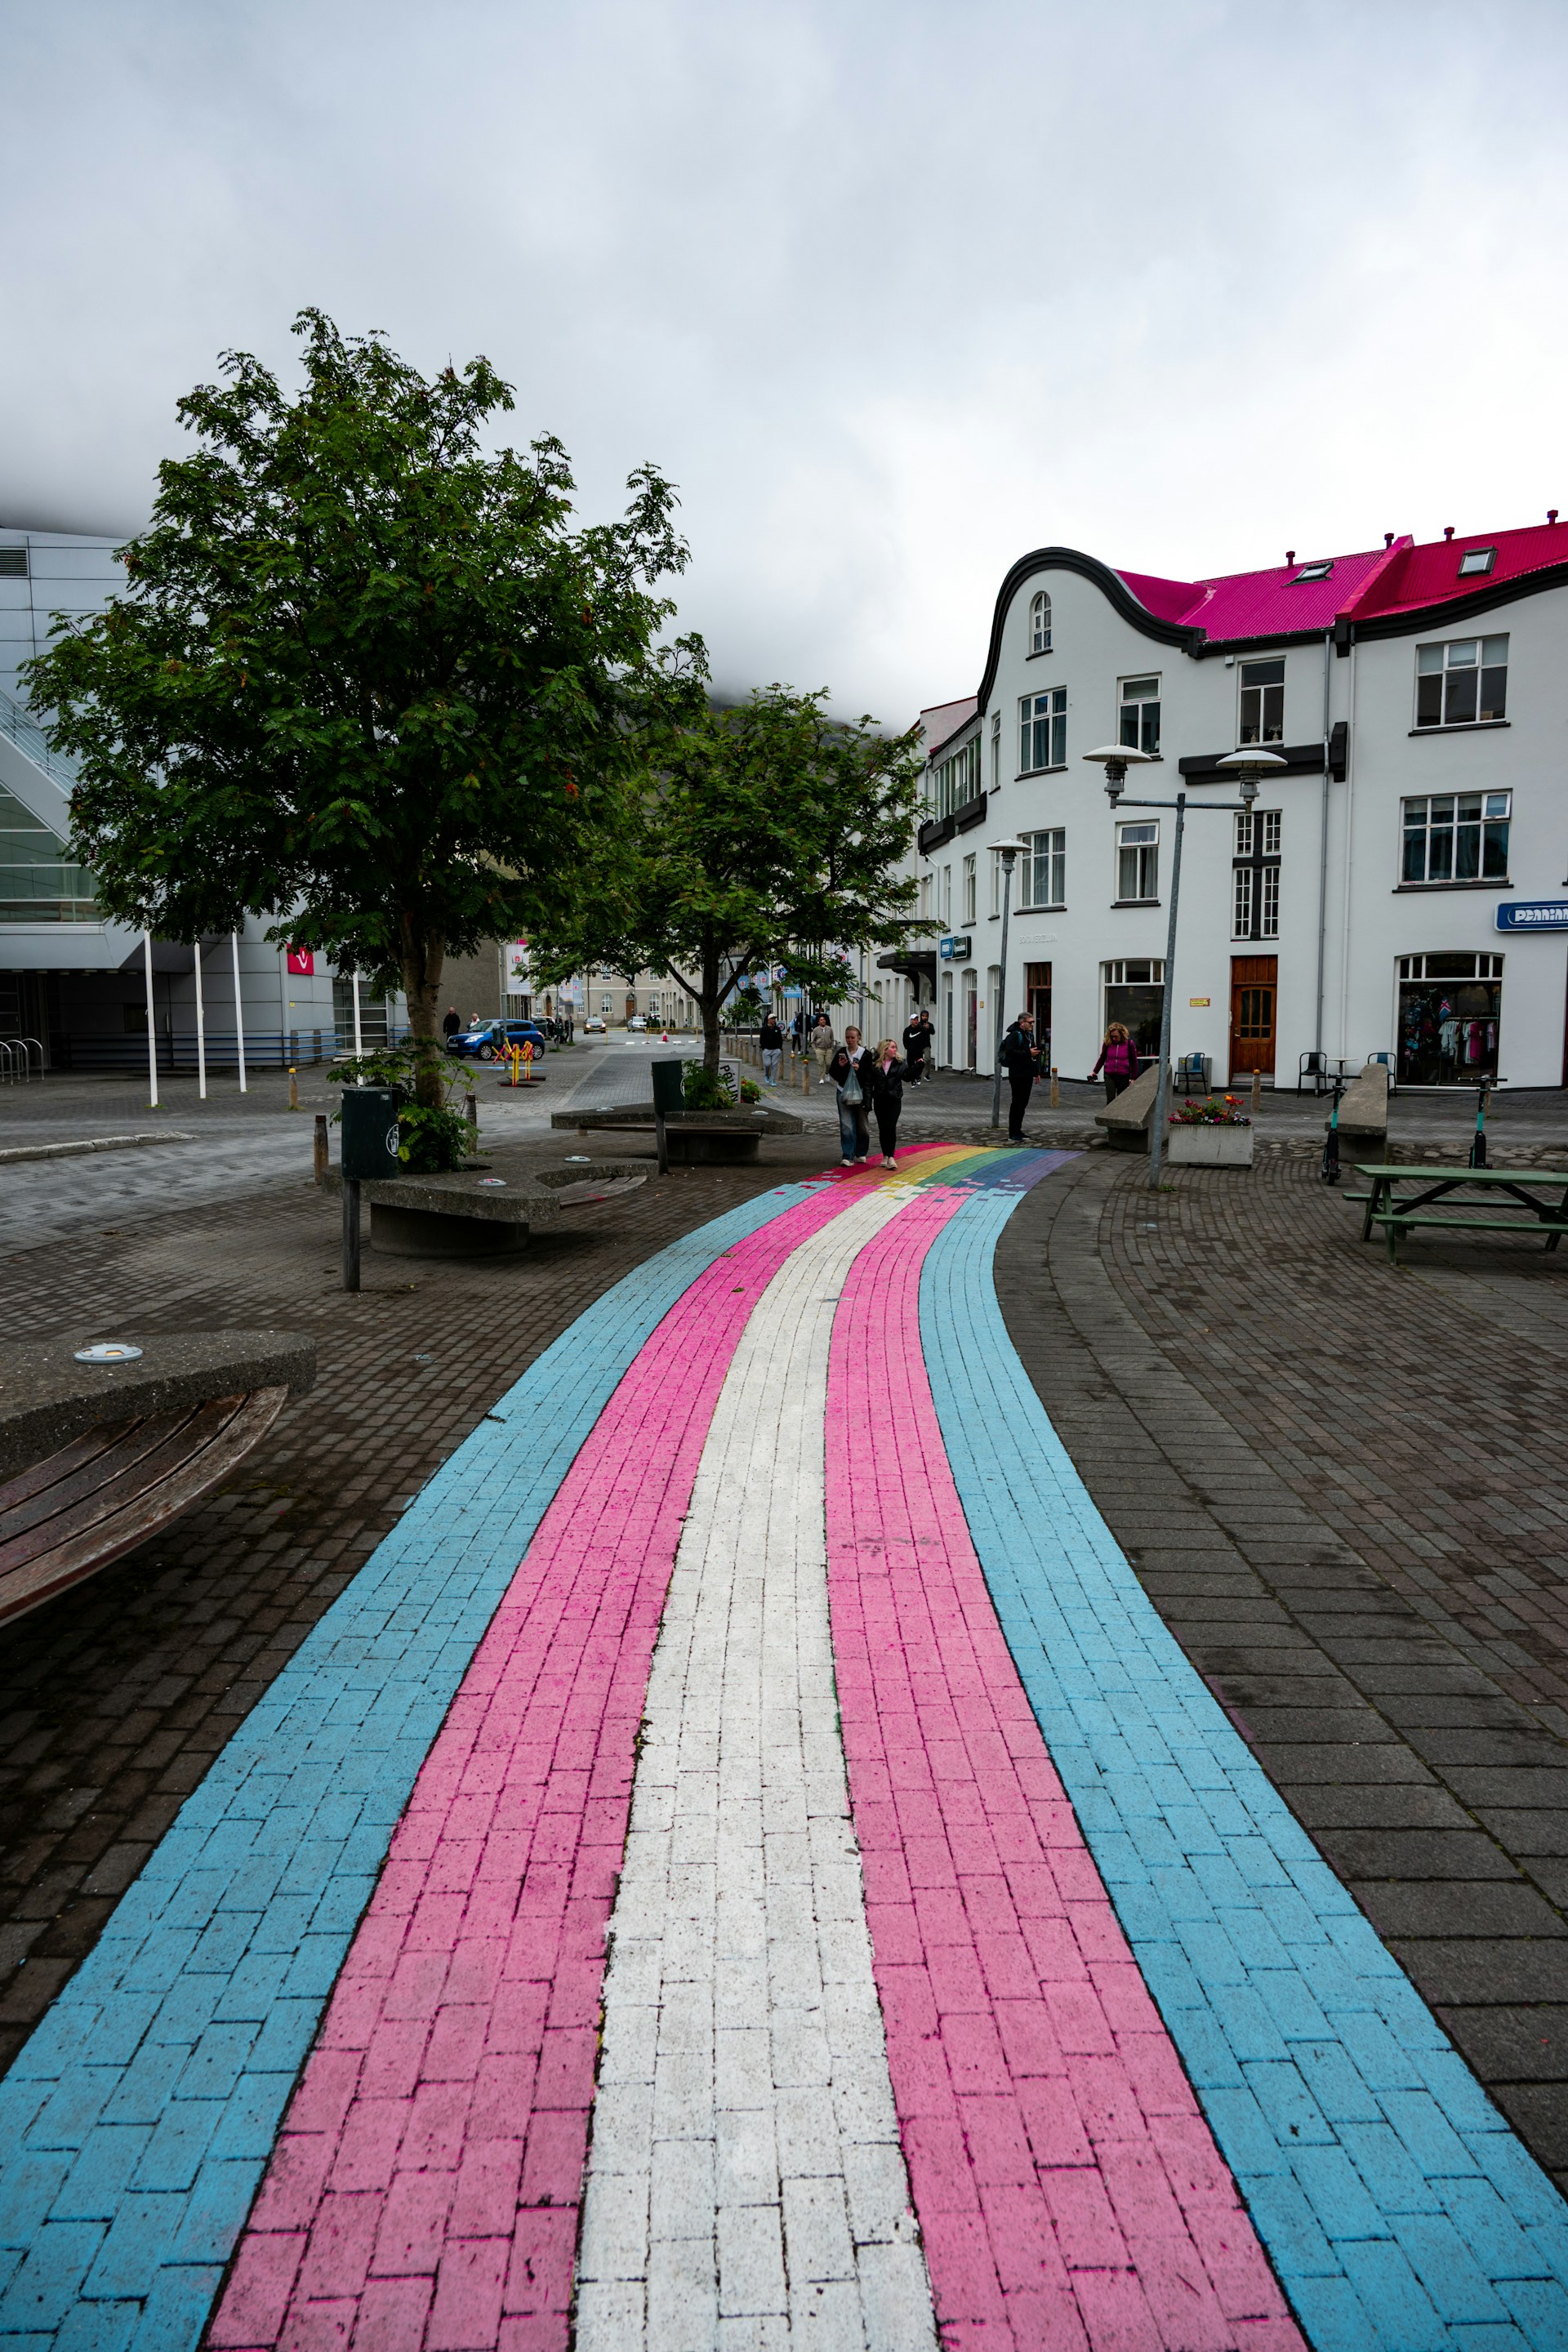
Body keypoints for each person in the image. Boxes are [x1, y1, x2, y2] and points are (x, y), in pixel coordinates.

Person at [827, 1026, 875, 1164]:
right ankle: (847, 1155)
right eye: (847, 1037)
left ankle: (861, 1152)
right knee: (846, 1124)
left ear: (858, 1038)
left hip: (860, 1092)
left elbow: (868, 1076)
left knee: (862, 1125)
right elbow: (833, 1072)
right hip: (843, 1090)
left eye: (852, 1037)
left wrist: (859, 1070)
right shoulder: (841, 1052)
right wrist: (841, 1067)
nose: (849, 1040)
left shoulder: (865, 1054)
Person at [999, 1011, 1038, 1143]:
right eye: (1030, 1022)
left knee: (1023, 1103)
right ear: (1022, 1023)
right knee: (1017, 1102)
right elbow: (1011, 1052)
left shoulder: (1029, 1036)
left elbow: (1034, 1055)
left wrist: (1036, 1072)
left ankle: (1018, 1131)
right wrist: (1028, 1053)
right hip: (1017, 1074)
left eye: (1033, 1022)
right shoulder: (1015, 1035)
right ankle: (1013, 1133)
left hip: (1027, 1073)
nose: (1032, 1024)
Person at [871, 1036, 907, 1167]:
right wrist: (868, 1101)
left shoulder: (900, 1063)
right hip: (880, 1100)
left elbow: (907, 1076)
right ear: (885, 1050)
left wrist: (918, 1066)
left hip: (894, 1100)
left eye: (895, 1047)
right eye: (893, 1047)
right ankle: (885, 1155)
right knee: (882, 1128)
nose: (895, 1050)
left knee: (890, 1127)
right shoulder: (875, 1064)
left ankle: (891, 1157)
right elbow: (869, 1083)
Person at [1092, 1022, 1141, 1100]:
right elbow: (1102, 1058)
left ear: (1121, 1035)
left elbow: (1134, 1062)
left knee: (1121, 1100)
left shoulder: (1129, 1044)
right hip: (1110, 1075)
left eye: (1116, 1037)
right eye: (1112, 1037)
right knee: (1110, 1099)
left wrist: (1133, 1078)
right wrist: (1095, 1072)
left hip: (1123, 1075)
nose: (1114, 1039)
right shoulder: (1107, 1043)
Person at [902, 1009, 933, 1087]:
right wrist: (908, 1048)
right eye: (914, 1020)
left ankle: (921, 1076)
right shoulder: (907, 1030)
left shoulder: (923, 1028)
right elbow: (905, 1040)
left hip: (920, 1050)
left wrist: (928, 1028)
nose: (916, 1021)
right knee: (911, 1066)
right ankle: (913, 1081)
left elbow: (928, 1035)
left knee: (922, 1063)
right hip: (911, 1051)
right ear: (911, 1020)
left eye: (917, 1020)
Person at [759, 1010, 785, 1085]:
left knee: (774, 1065)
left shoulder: (777, 1028)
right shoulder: (764, 1029)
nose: (774, 1020)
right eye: (772, 1019)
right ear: (769, 1020)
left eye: (774, 1019)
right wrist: (764, 1047)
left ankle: (773, 1079)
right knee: (767, 1064)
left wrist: (779, 1048)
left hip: (776, 1049)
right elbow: (762, 1039)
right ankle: (767, 1074)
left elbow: (780, 1039)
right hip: (767, 1049)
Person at [811, 1013, 835, 1084]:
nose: (823, 1021)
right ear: (818, 1022)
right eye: (821, 1020)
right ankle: (821, 1078)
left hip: (828, 1049)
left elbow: (832, 1039)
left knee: (829, 1064)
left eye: (824, 1020)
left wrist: (832, 1048)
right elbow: (813, 1041)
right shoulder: (816, 1030)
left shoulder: (830, 1029)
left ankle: (827, 1073)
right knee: (821, 1063)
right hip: (819, 1049)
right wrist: (815, 1049)